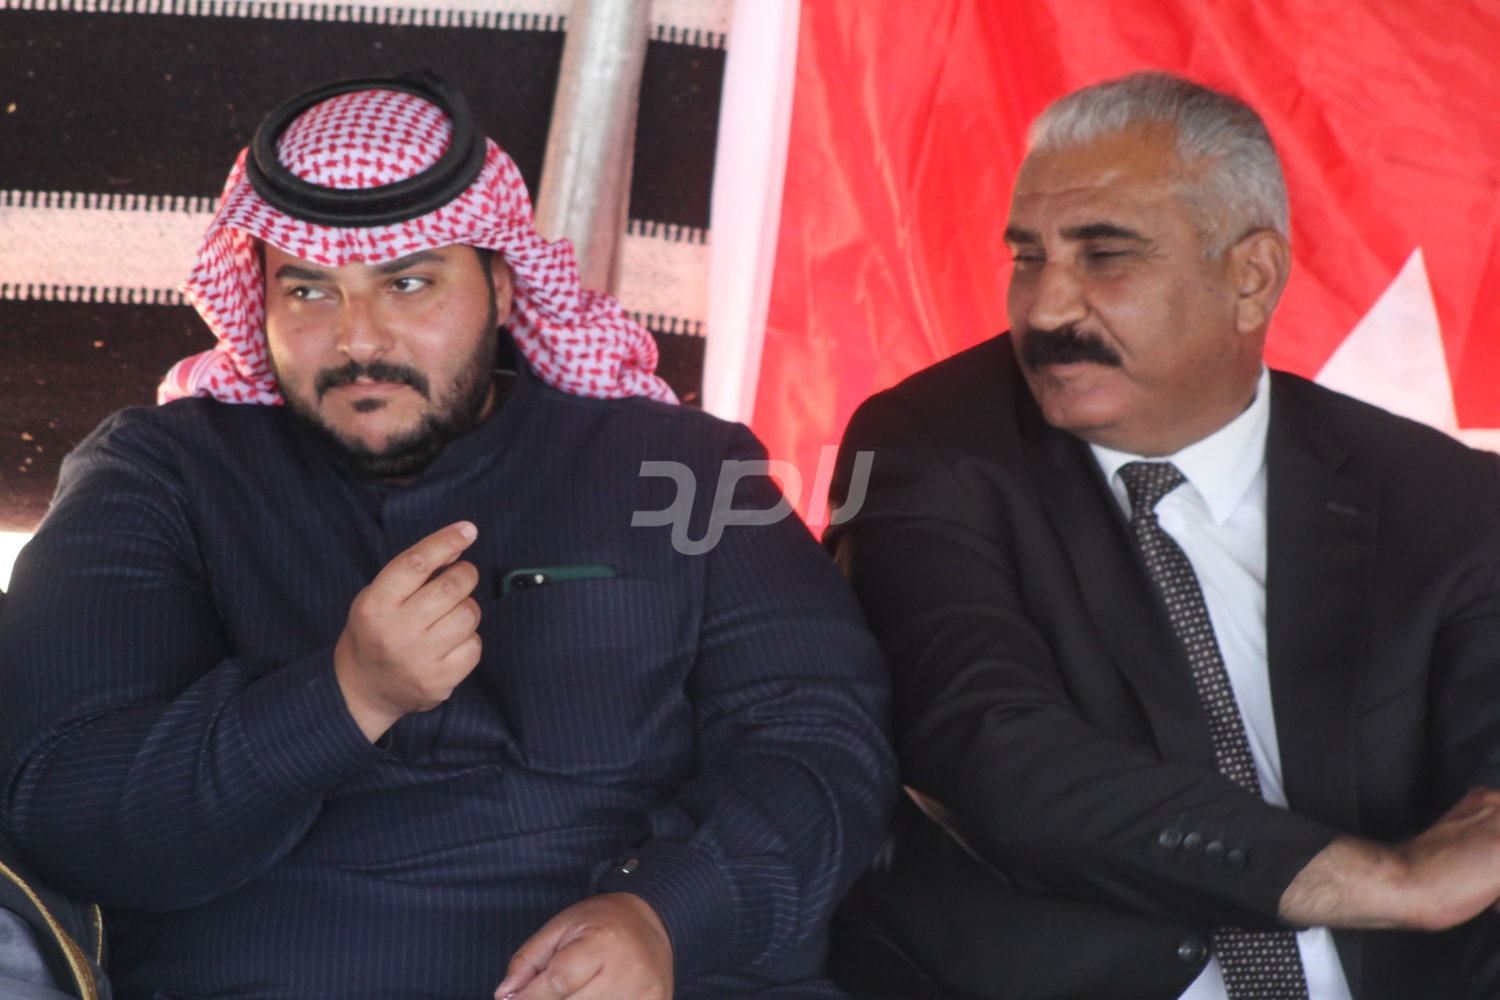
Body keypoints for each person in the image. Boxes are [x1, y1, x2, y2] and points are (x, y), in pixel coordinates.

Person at [0, 73, 896, 1000]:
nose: (359, 339)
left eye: (408, 283)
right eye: (308, 290)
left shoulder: (693, 468)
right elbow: (64, 808)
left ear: (502, 286)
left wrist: (668, 914)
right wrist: (343, 696)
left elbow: (823, 742)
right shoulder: (161, 476)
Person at [822, 72, 1500, 1000]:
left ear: (1251, 277)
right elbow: (989, 753)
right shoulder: (930, 444)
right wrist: (1390, 884)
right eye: (1028, 257)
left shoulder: (1444, 498)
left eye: (1105, 256)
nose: (1047, 309)